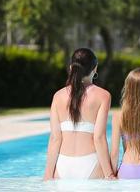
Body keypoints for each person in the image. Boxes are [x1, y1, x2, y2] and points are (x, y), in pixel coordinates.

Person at [43, 48, 113, 180]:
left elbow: (55, 138)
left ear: (71, 68)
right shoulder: (103, 96)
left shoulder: (58, 96)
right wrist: (109, 174)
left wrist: (48, 174)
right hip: (90, 164)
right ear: (95, 69)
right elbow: (98, 138)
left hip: (63, 166)